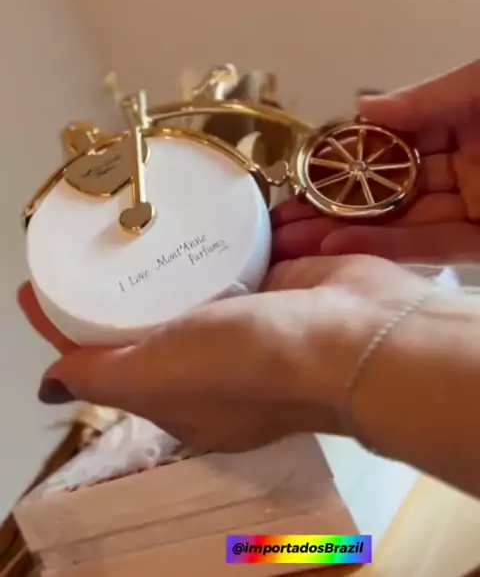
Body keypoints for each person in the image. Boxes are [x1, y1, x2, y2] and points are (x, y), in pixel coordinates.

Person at [18, 59, 480, 501]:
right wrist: (356, 348)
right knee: (302, 543)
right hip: (314, 535)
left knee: (315, 543)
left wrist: (343, 353)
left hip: (322, 537)